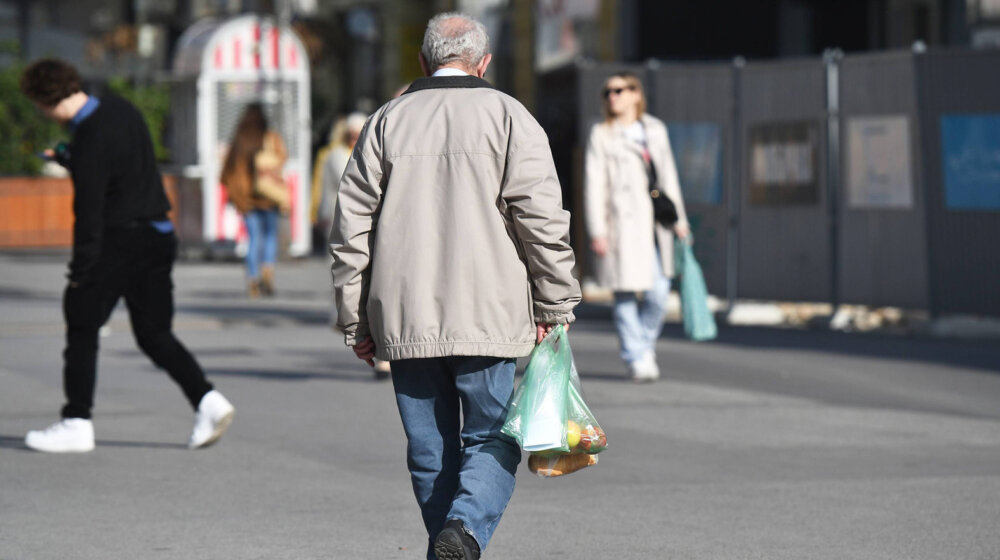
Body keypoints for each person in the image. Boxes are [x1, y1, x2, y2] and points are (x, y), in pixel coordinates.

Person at [330, 12, 580, 560]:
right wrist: (556, 299)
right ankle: (463, 532)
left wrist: (355, 315)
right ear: (483, 62)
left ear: (423, 61)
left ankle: (447, 544)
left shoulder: (386, 120)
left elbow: (351, 227)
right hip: (490, 310)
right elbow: (541, 220)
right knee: (492, 435)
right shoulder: (510, 116)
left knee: (428, 447)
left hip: (404, 311)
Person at [19, 59, 234, 452]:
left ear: (46, 100)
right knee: (155, 333)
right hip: (157, 234)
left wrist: (80, 270)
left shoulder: (88, 138)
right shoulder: (120, 110)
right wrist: (73, 160)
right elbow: (121, 169)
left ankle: (76, 421)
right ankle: (208, 401)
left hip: (118, 242)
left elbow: (89, 211)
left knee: (81, 324)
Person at [584, 71, 691, 382]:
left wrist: (679, 221)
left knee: (659, 291)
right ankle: (636, 355)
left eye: (618, 90)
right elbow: (594, 184)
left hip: (654, 224)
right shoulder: (601, 134)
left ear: (635, 94)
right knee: (625, 294)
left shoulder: (654, 129)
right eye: (607, 92)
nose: (612, 97)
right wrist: (597, 231)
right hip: (619, 224)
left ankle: (643, 346)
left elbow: (669, 177)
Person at [221, 103, 289, 298]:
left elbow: (227, 172)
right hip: (269, 196)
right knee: (269, 237)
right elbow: (282, 158)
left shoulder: (239, 140)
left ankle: (253, 279)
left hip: (247, 198)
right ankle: (267, 271)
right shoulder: (271, 137)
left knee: (253, 239)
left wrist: (235, 193)